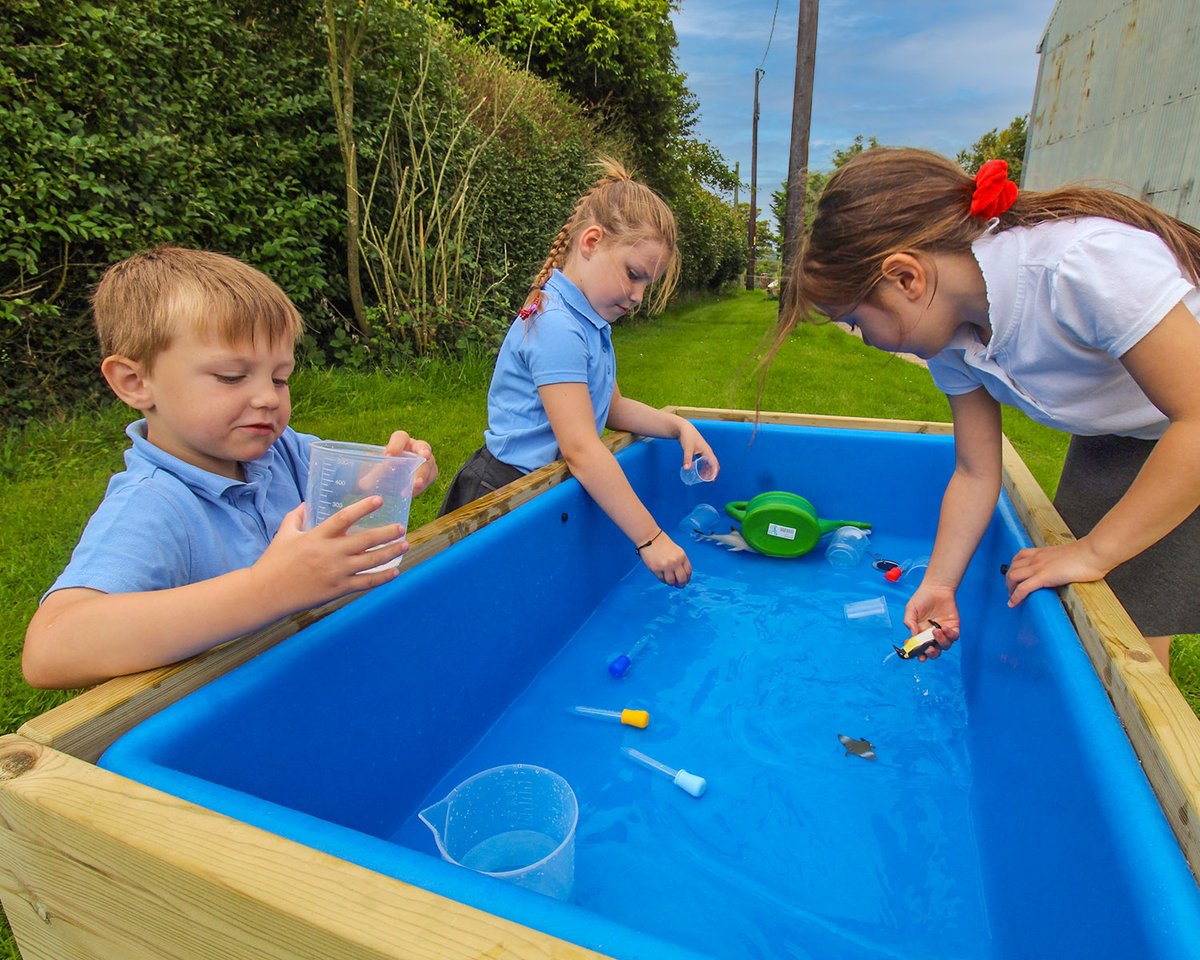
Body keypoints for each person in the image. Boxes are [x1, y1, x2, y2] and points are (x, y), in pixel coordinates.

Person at [774, 147, 1200, 669]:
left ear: (906, 278)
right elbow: (976, 471)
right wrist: (938, 583)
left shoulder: (1080, 266)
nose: (864, 340)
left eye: (857, 322)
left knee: (1130, 632)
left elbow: (1197, 418)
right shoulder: (952, 338)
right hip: (1120, 428)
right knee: (1073, 603)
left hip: (1188, 427)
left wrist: (1094, 551)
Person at [23, 246, 439, 689]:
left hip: (313, 675)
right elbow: (50, 650)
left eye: (280, 378)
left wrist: (395, 469)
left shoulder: (282, 452)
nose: (267, 397)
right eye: (230, 377)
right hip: (225, 714)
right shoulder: (152, 505)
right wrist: (270, 588)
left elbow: (349, 481)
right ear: (135, 382)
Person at [438, 159, 718, 587]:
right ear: (591, 242)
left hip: (536, 490)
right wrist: (650, 538)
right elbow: (582, 449)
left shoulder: (588, 323)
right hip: (500, 494)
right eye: (633, 275)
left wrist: (677, 425)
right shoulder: (557, 326)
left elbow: (613, 407)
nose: (639, 296)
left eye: (648, 285)